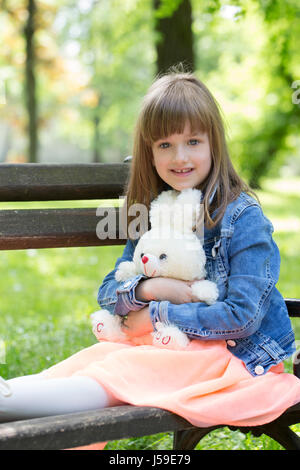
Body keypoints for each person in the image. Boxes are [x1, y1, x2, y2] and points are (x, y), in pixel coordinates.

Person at [1, 69, 300, 435]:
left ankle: (8, 402)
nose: (180, 157)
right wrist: (150, 291)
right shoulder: (155, 212)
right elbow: (110, 290)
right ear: (150, 152)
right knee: (95, 360)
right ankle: (11, 397)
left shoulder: (242, 217)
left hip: (234, 359)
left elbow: (241, 317)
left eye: (193, 141)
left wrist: (157, 316)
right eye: (164, 145)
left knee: (121, 369)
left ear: (214, 145)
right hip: (170, 349)